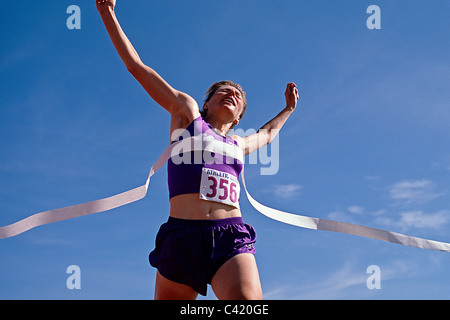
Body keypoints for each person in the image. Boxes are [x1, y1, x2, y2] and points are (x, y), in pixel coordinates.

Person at [96, 0, 299, 300]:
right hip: (181, 238)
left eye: (238, 96)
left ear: (239, 116)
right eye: (223, 90)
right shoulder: (186, 114)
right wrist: (107, 12)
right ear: (206, 103)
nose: (231, 93)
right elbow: (136, 67)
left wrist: (289, 109)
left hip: (230, 236)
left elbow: (267, 135)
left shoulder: (238, 144)